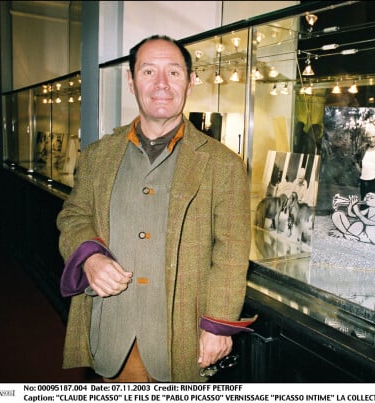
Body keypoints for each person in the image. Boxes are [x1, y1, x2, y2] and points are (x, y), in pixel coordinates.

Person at [56, 35, 254, 383]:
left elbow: (231, 250)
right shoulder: (97, 156)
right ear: (131, 82)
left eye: (174, 73)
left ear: (191, 81)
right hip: (110, 327)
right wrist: (90, 257)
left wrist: (218, 325)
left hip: (181, 337)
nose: (161, 84)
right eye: (148, 71)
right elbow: (72, 216)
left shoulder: (224, 165)